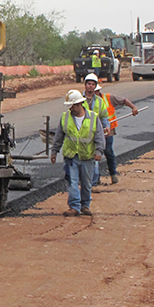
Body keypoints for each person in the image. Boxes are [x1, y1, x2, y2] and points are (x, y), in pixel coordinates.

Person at [51, 89, 105, 217]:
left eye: (72, 106)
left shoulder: (93, 118)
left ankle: (85, 206)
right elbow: (59, 136)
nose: (70, 109)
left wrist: (99, 151)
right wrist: (54, 151)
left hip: (87, 156)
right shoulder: (65, 118)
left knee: (86, 184)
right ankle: (74, 206)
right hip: (71, 157)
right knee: (72, 182)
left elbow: (99, 136)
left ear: (79, 104)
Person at [92, 83, 139, 186]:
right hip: (94, 132)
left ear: (98, 91)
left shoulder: (109, 98)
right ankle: (96, 178)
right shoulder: (88, 101)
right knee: (94, 154)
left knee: (108, 152)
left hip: (108, 131)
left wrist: (133, 107)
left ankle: (113, 174)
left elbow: (124, 100)